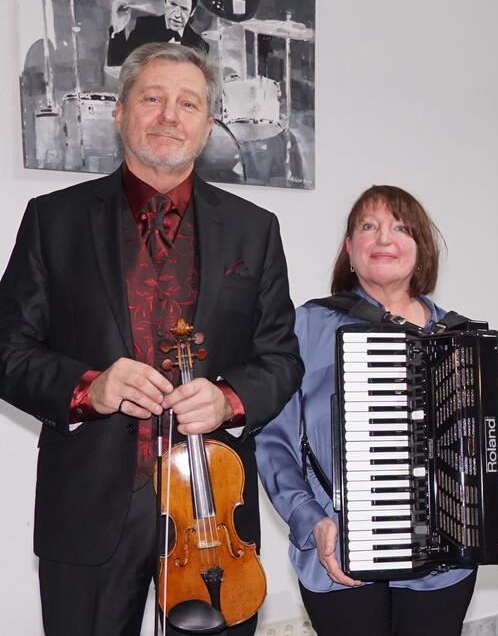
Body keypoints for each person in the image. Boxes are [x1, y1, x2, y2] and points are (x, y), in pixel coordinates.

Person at [0, 42, 302, 635]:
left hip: (214, 514)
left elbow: (281, 358)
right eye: (153, 98)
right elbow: (8, 348)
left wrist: (229, 400)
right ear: (121, 112)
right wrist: (90, 387)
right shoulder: (52, 220)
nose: (170, 115)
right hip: (88, 507)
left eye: (188, 103)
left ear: (208, 123)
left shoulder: (255, 230)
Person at [256, 185, 477, 636]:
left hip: (442, 561)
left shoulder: (459, 338)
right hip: (338, 550)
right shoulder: (306, 326)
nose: (384, 239)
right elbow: (273, 438)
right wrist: (309, 519)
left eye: (401, 228)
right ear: (350, 249)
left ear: (421, 247)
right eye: (368, 227)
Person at [107, 0, 210, 67]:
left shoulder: (199, 45)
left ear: (192, 11)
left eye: (184, 9)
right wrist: (118, 30)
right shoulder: (145, 26)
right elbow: (118, 64)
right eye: (173, 4)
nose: (177, 14)